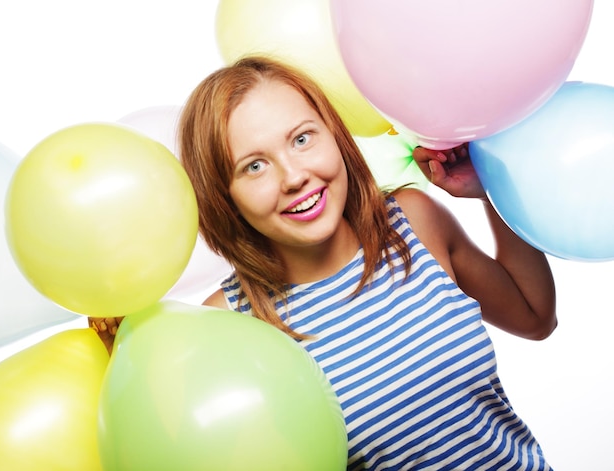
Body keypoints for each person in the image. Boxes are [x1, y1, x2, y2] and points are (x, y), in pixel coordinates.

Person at [94, 55, 557, 469]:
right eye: (254, 166)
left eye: (301, 138)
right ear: (225, 197)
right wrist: (134, 353)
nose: (295, 176)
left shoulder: (412, 222)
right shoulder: (226, 324)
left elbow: (535, 317)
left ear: (333, 135)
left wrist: (492, 190)